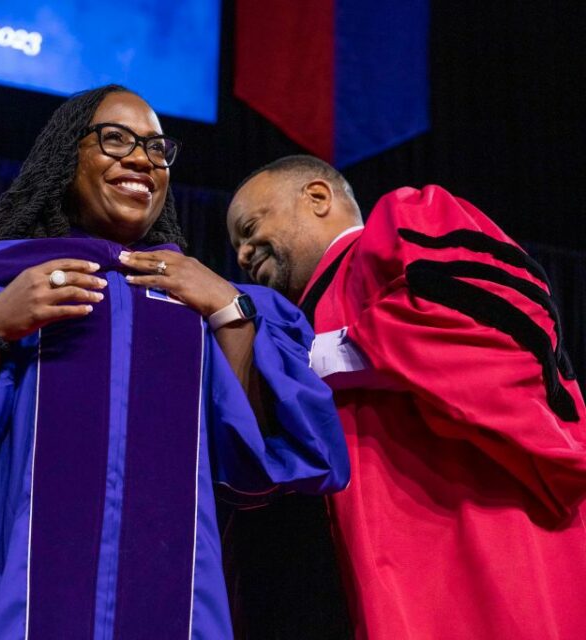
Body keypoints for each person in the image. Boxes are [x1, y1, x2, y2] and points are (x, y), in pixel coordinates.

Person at [0, 86, 350, 639]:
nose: (140, 159)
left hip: (175, 604)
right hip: (13, 597)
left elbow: (267, 461)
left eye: (157, 149)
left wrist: (229, 313)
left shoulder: (204, 300)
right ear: (67, 155)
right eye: (115, 139)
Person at [226, 154, 586, 639]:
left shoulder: (406, 221)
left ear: (317, 197)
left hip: (459, 552)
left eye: (250, 228)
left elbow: (487, 327)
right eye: (236, 246)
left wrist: (309, 359)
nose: (245, 253)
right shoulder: (284, 320)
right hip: (350, 579)